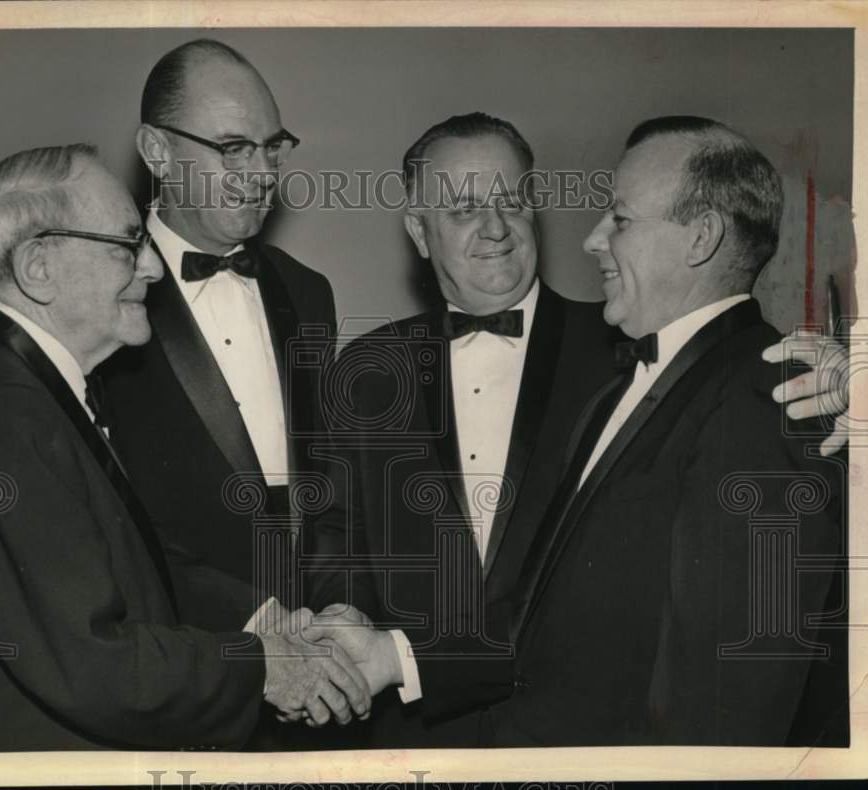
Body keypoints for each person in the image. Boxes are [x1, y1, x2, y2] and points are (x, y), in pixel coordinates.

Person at [302, 113, 848, 747]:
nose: (496, 228)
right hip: (411, 731)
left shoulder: (630, 349)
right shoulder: (368, 370)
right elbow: (335, 538)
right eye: (463, 210)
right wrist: (376, 649)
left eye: (512, 201)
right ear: (419, 234)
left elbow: (732, 683)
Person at [0, 144, 368, 754]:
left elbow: (112, 561)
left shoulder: (8, 382)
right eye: (128, 245)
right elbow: (96, 664)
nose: (152, 267)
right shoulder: (2, 413)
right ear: (39, 267)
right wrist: (262, 666)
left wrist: (265, 624)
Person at [494, 116, 848, 745]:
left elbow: (724, 715)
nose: (591, 240)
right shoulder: (612, 391)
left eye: (620, 220)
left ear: (701, 237)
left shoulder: (767, 403)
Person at [99, 38, 336, 660]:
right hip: (178, 658)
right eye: (233, 148)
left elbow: (326, 488)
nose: (261, 174)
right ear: (157, 151)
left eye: (272, 147)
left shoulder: (309, 293)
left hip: (316, 650)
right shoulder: (100, 296)